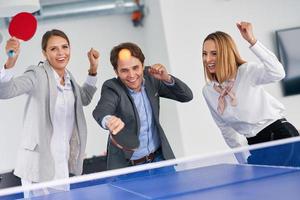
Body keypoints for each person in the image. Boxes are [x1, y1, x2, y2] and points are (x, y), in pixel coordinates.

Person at [0, 30, 99, 197]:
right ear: (44, 53)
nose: (61, 53)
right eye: (53, 49)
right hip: (38, 164)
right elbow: (6, 91)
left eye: (64, 47)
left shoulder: (68, 77)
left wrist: (93, 69)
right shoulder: (36, 74)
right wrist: (10, 62)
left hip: (61, 162)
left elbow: (85, 98)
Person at [202, 22, 299, 166]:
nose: (207, 59)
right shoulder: (208, 91)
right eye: (204, 54)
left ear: (225, 54)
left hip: (280, 136)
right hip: (255, 144)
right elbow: (225, 129)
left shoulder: (248, 71)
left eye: (214, 53)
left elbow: (278, 73)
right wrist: (242, 163)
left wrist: (252, 41)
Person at [93, 42, 193, 171]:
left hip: (160, 160)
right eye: (124, 70)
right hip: (129, 168)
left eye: (136, 68)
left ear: (143, 65)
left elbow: (186, 96)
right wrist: (108, 120)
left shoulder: (152, 77)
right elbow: (102, 110)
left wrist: (166, 78)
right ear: (116, 71)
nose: (132, 75)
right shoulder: (112, 87)